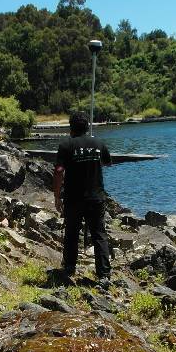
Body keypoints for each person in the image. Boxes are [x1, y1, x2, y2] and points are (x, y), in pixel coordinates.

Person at [53, 112, 112, 287]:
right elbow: (108, 162)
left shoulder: (66, 145)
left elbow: (58, 171)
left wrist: (57, 196)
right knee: (99, 235)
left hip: (74, 198)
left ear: (71, 128)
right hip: (96, 197)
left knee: (72, 233)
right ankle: (104, 275)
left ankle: (69, 268)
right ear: (87, 127)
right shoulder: (99, 144)